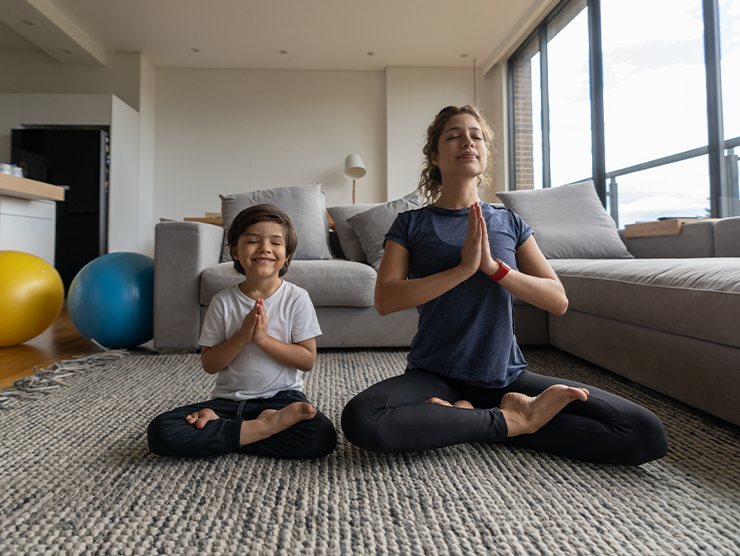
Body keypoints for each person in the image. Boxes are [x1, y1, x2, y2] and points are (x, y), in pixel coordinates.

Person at [341, 105, 667, 465]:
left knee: (643, 433)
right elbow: (386, 298)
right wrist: (463, 270)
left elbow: (557, 300)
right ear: (434, 155)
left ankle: (462, 418)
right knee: (362, 418)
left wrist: (495, 269)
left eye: (476, 135)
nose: (468, 141)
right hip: (435, 376)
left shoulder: (508, 221)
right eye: (454, 135)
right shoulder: (410, 224)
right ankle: (507, 421)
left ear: (483, 151)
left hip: (506, 378)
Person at [148, 204, 337, 459]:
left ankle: (229, 433)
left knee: (321, 435)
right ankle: (262, 428)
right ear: (235, 251)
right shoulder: (222, 302)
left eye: (275, 242)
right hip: (227, 403)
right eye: (253, 241)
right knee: (161, 432)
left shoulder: (296, 298)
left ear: (288, 253)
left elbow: (307, 360)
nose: (264, 248)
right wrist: (241, 337)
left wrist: (263, 339)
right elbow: (210, 364)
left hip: (281, 400)